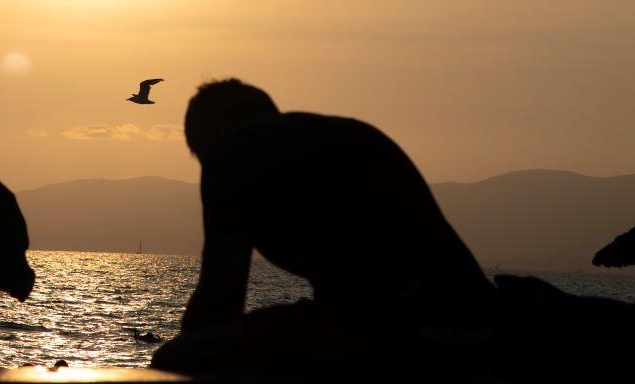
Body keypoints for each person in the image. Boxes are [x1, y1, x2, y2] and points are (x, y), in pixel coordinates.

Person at [153, 79, 498, 375]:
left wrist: (186, 347)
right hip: (481, 319)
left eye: (200, 156)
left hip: (409, 329)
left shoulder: (231, 157)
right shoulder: (348, 134)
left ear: (208, 139)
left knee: (177, 359)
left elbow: (219, 301)